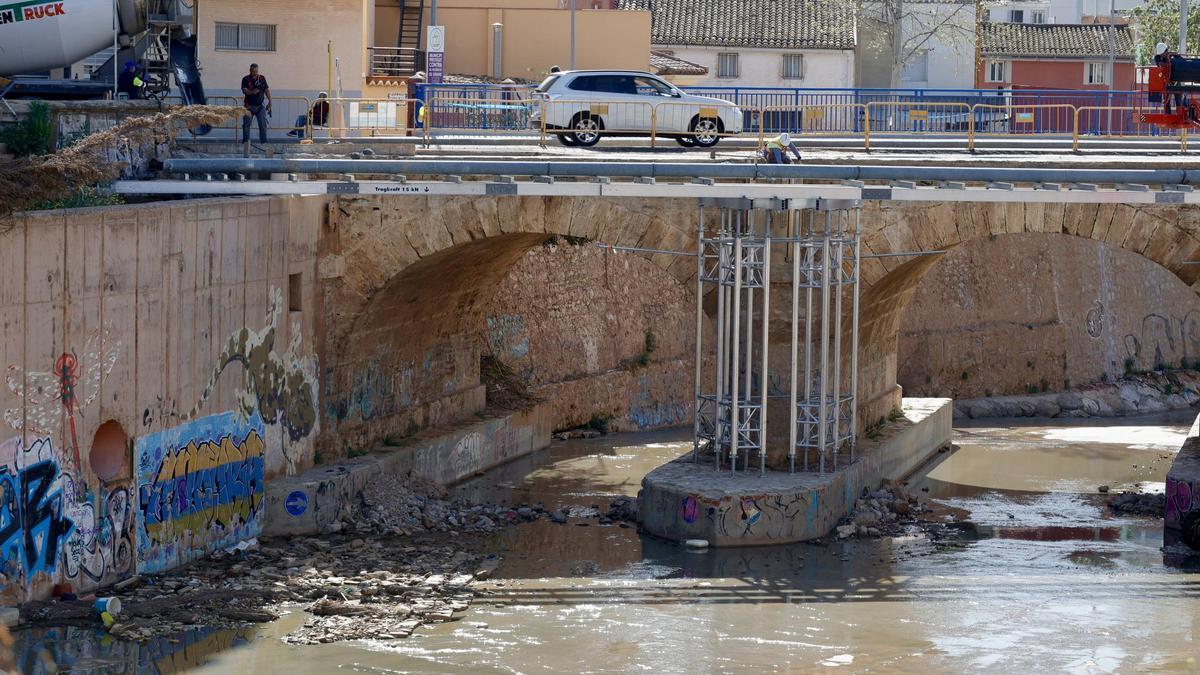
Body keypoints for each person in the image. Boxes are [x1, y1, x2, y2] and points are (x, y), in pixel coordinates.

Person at [240, 63, 272, 144]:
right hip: (248, 106)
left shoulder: (262, 78)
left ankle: (264, 142)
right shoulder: (245, 79)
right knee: (246, 125)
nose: (255, 73)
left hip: (260, 106)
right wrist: (252, 92)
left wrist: (270, 101)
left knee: (262, 125)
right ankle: (246, 142)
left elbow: (266, 90)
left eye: (256, 71)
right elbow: (244, 90)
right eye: (253, 71)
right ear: (250, 70)